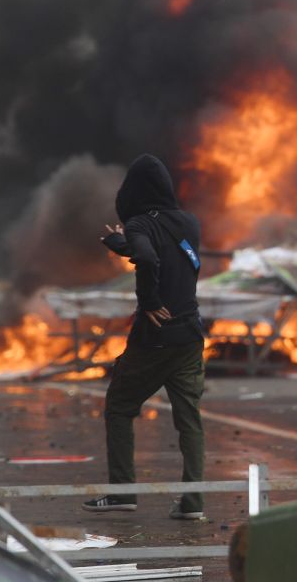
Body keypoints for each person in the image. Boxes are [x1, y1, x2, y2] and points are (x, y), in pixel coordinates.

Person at [84, 155, 207, 519]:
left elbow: (150, 259)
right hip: (189, 336)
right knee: (190, 420)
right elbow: (161, 254)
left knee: (119, 407)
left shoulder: (138, 223)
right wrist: (120, 244)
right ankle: (193, 502)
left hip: (153, 341)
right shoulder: (189, 222)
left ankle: (123, 492)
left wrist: (149, 300)